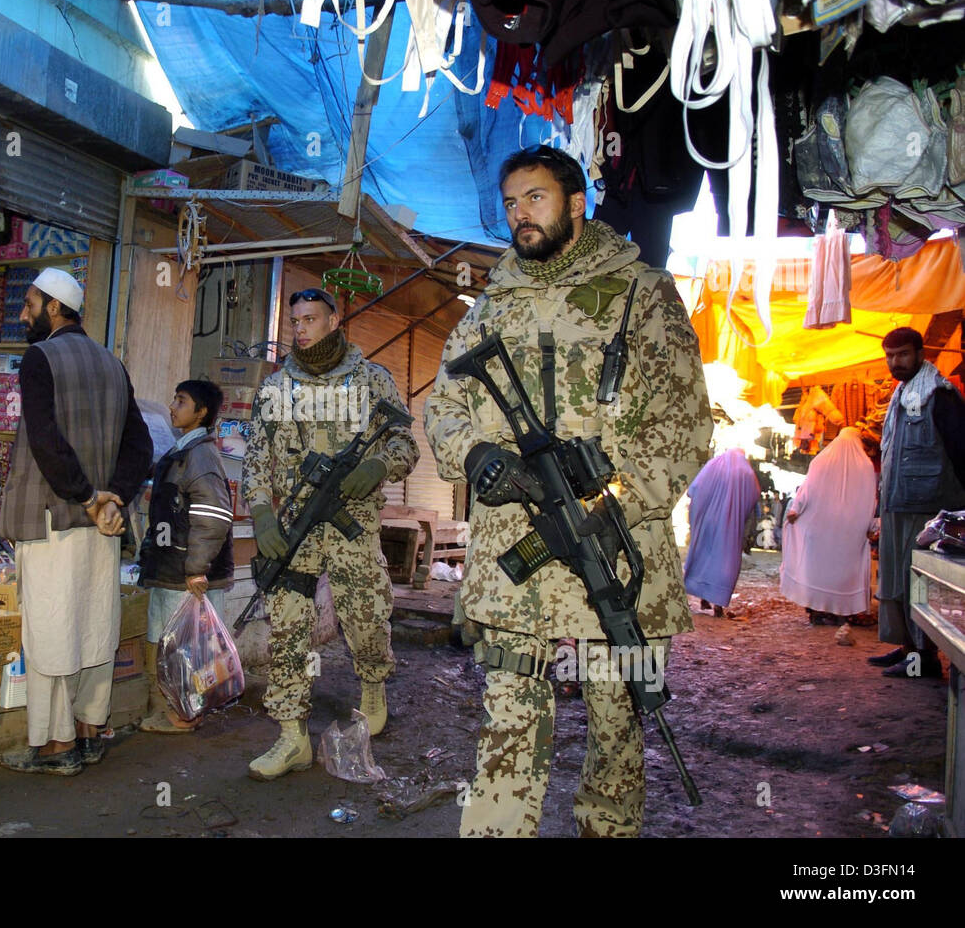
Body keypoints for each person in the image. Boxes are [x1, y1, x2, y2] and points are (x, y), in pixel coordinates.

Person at [424, 145, 712, 838]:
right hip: (512, 557)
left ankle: (607, 827)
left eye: (537, 197)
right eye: (512, 201)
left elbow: (685, 425)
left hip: (614, 549)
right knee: (508, 716)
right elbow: (444, 407)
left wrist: (610, 497)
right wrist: (478, 454)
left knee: (618, 723)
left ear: (577, 203)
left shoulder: (642, 292)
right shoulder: (490, 304)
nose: (520, 213)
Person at [241, 287, 419, 781]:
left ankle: (373, 684)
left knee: (365, 613)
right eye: (294, 321)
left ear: (335, 320)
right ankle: (291, 735)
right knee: (289, 623)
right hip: (296, 522)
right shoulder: (278, 388)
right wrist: (260, 513)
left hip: (352, 520)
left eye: (310, 319)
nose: (300, 329)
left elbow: (405, 441)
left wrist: (380, 463)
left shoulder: (371, 378)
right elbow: (256, 454)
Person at [0, 267, 152, 775]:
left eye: (30, 304)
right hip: (101, 527)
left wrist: (87, 496)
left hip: (52, 519)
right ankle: (89, 731)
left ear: (55, 308)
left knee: (52, 631)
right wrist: (114, 502)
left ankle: (57, 745)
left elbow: (44, 440)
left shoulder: (39, 359)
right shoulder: (112, 363)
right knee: (92, 629)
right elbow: (140, 446)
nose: (24, 315)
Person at [137, 379, 234, 732]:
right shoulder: (184, 452)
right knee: (171, 645)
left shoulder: (200, 456)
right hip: (171, 568)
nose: (173, 406)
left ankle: (182, 717)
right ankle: (176, 712)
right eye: (174, 398)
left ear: (201, 412)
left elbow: (213, 518)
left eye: (181, 401)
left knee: (182, 648)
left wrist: (196, 568)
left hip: (185, 575)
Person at [868, 327, 965, 678]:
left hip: (928, 510)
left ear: (921, 354)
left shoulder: (940, 395)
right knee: (894, 584)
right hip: (898, 505)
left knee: (918, 589)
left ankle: (923, 661)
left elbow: (960, 451)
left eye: (903, 355)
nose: (896, 362)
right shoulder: (902, 394)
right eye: (890, 356)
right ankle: (908, 651)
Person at [780, 427, 878, 624]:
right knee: (842, 571)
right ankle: (840, 611)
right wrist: (870, 525)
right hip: (848, 531)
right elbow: (870, 501)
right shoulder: (865, 466)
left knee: (817, 570)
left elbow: (807, 489)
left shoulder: (821, 461)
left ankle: (817, 610)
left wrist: (795, 510)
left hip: (818, 528)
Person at [683, 447, 761, 617]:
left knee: (704, 556)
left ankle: (703, 595)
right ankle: (718, 601)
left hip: (707, 523)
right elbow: (755, 496)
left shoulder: (712, 466)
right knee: (725, 562)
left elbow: (692, 490)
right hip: (730, 527)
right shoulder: (746, 472)